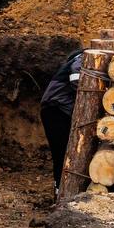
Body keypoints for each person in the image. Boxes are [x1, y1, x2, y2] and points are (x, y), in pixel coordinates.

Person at [39, 50, 84, 191]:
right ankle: (60, 191)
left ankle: (61, 190)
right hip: (56, 110)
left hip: (57, 110)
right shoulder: (84, 57)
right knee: (62, 153)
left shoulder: (78, 58)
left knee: (64, 153)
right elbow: (76, 79)